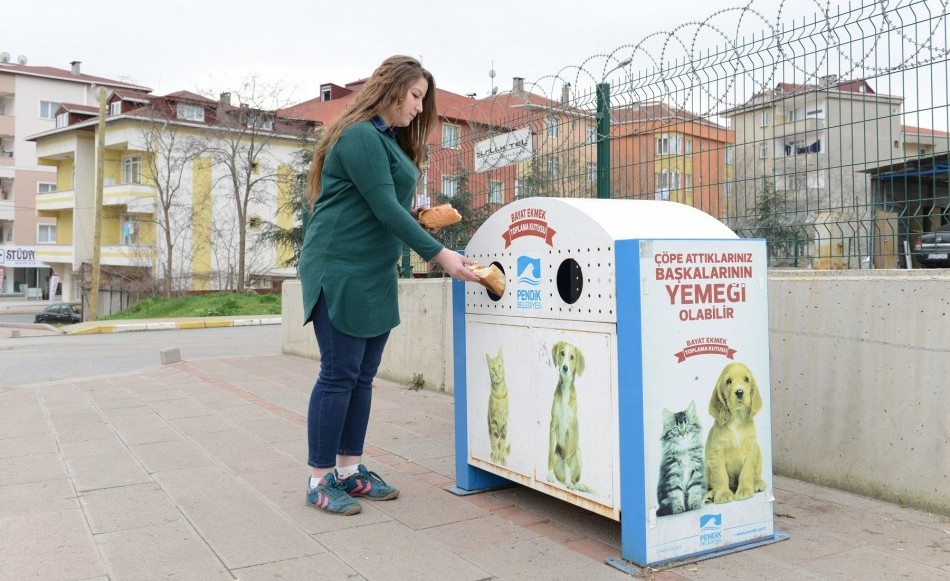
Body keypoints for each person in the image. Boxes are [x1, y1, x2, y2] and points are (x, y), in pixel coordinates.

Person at [299, 55, 480, 515]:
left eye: (424, 99)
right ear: (392, 89)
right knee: (339, 374)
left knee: (362, 378)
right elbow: (383, 207)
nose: (421, 108)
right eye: (416, 96)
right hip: (339, 268)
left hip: (375, 270)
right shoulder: (360, 136)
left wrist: (419, 219)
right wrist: (441, 256)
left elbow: (384, 206)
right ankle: (319, 479)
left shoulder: (389, 142)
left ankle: (349, 472)